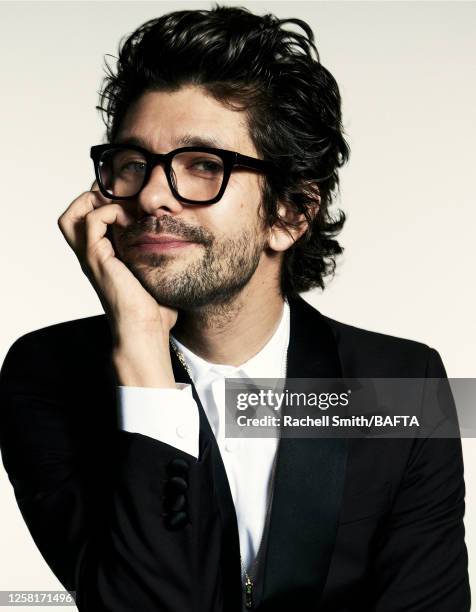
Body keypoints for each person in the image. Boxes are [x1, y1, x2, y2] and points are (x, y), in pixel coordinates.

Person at [0, 5, 470, 611]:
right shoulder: (46, 374)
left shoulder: (402, 385)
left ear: (291, 214)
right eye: (133, 163)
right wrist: (144, 357)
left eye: (203, 166)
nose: (150, 195)